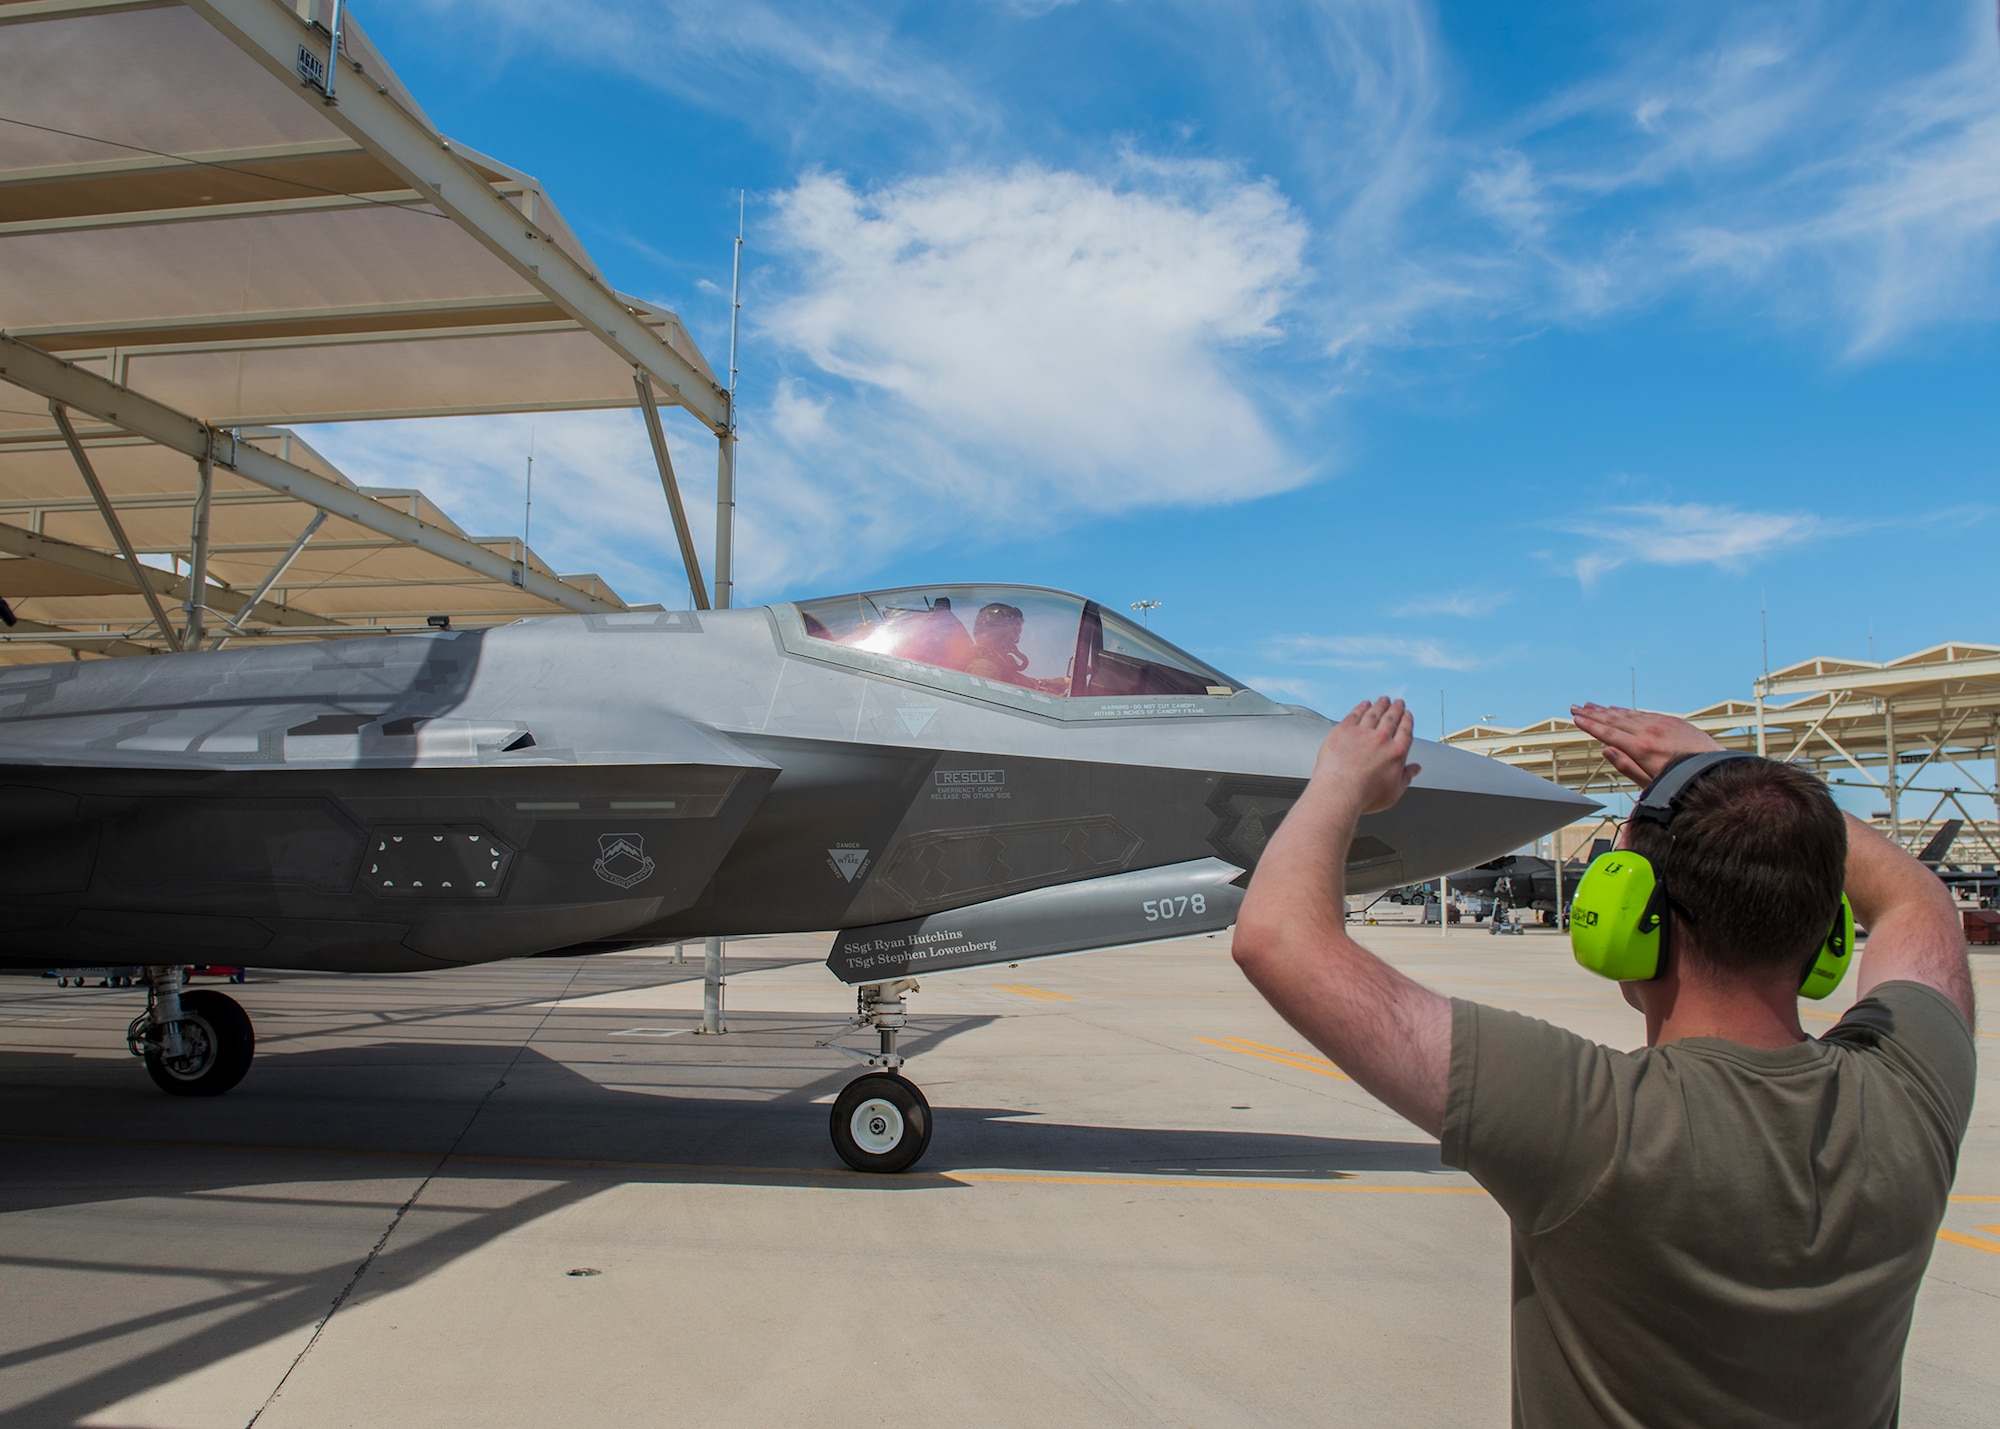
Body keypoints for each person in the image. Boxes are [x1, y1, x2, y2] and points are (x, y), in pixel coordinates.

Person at [1232, 697, 1976, 1428]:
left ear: (1627, 918)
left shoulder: (1598, 1125)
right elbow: (1919, 902)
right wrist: (1722, 767)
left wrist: (1338, 779)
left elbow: (1276, 937)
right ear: (1828, 936)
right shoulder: (1915, 1087)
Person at [965, 602, 1067, 693]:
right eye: (1014, 630)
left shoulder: (994, 662)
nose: (1017, 638)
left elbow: (1029, 684)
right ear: (1007, 634)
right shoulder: (984, 668)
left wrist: (1063, 682)